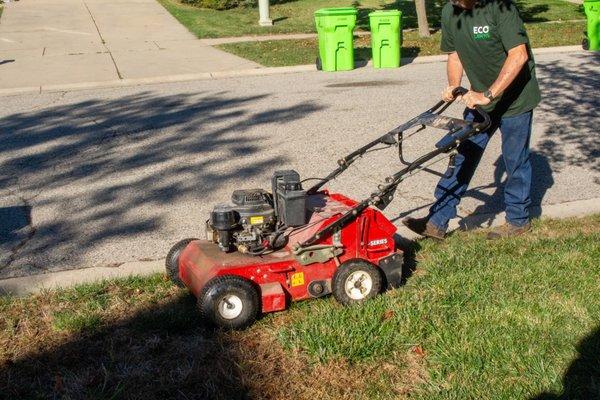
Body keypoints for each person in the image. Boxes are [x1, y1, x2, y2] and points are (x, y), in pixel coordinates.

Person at [403, 0, 541, 240]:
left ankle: (518, 221)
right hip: (479, 101)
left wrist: (488, 94)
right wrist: (454, 85)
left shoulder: (501, 8)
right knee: (462, 156)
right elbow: (455, 55)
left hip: (515, 100)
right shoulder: (450, 12)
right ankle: (437, 222)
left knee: (515, 160)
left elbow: (519, 55)